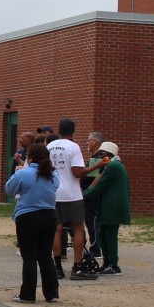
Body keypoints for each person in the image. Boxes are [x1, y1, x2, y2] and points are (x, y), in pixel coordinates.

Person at [47, 118, 105, 280]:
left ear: (59, 130)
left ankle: (57, 267)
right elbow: (77, 172)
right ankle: (77, 267)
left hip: (53, 192)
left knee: (56, 229)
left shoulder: (49, 146)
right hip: (71, 194)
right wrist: (97, 166)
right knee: (78, 227)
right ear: (73, 131)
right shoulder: (73, 147)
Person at [5, 142, 60, 303]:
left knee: (29, 257)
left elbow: (9, 189)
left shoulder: (24, 174)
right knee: (45, 256)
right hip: (49, 215)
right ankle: (52, 293)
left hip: (28, 216)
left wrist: (16, 173)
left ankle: (28, 294)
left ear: (29, 157)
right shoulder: (53, 175)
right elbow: (56, 187)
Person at [83, 141, 131, 275]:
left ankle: (114, 265)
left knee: (110, 236)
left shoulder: (114, 166)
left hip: (113, 205)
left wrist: (82, 196)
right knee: (103, 234)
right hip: (107, 204)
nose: (99, 156)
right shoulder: (111, 165)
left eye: (101, 154)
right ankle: (107, 263)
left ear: (109, 154)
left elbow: (100, 186)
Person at [82, 131, 105, 257]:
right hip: (89, 194)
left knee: (92, 220)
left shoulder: (99, 157)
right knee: (90, 220)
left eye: (89, 140)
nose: (87, 142)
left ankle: (96, 249)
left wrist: (88, 191)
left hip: (92, 195)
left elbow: (97, 177)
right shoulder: (95, 157)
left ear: (95, 142)